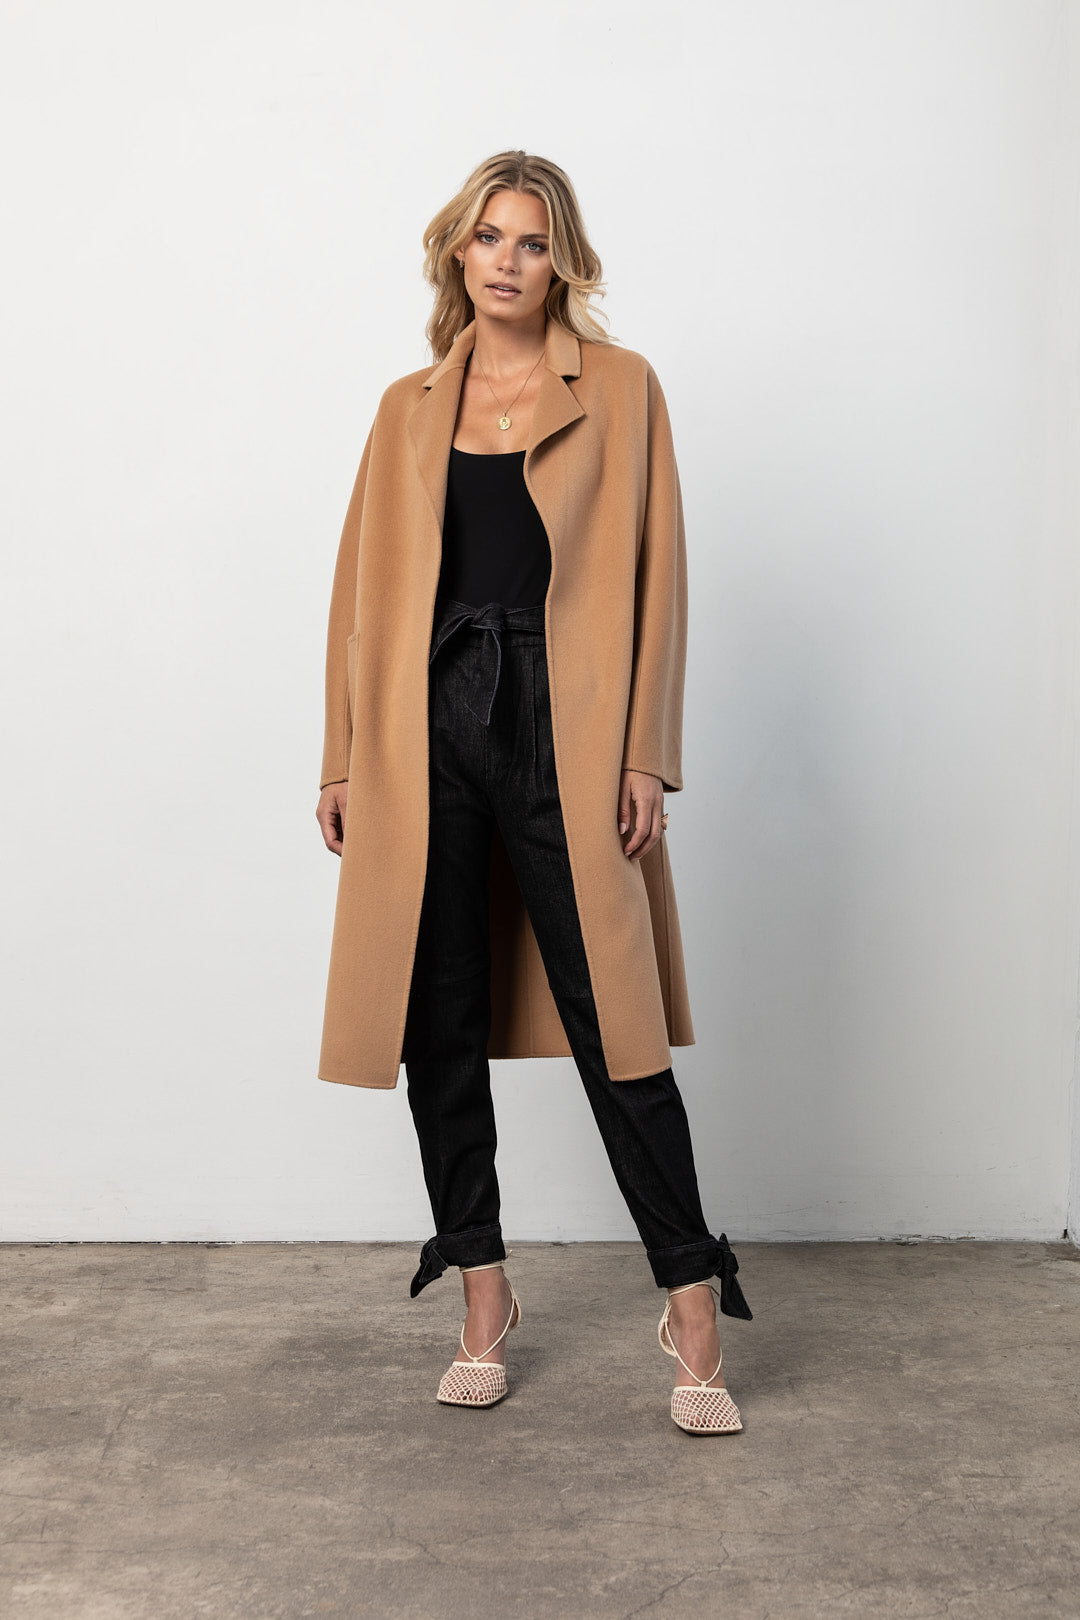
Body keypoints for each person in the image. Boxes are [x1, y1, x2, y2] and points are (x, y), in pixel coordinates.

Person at [315, 151, 752, 1434]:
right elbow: (357, 598)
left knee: (616, 1021)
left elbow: (659, 574)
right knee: (436, 1018)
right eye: (489, 237)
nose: (508, 260)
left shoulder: (619, 388)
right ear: (457, 250)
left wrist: (645, 753)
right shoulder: (407, 408)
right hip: (425, 729)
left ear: (563, 261)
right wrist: (342, 757)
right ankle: (482, 1291)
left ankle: (690, 1296)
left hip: (569, 722)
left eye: (533, 241)